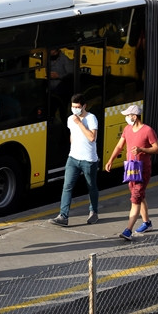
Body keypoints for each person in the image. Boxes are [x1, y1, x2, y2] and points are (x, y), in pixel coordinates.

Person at [106, 105, 158, 241]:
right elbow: (120, 145)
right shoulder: (127, 129)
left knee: (135, 198)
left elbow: (157, 149)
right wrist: (111, 160)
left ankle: (128, 230)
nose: (126, 118)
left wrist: (142, 149)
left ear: (134, 116)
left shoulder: (148, 130)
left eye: (128, 115)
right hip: (130, 168)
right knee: (139, 196)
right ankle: (147, 223)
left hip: (143, 169)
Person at [50, 94, 100, 226]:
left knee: (91, 186)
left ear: (84, 106)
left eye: (78, 107)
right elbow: (72, 135)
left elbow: (91, 137)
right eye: (73, 107)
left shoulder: (91, 118)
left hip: (89, 160)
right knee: (67, 186)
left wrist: (80, 123)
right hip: (73, 158)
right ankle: (63, 216)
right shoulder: (70, 119)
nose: (75, 109)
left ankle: (93, 212)